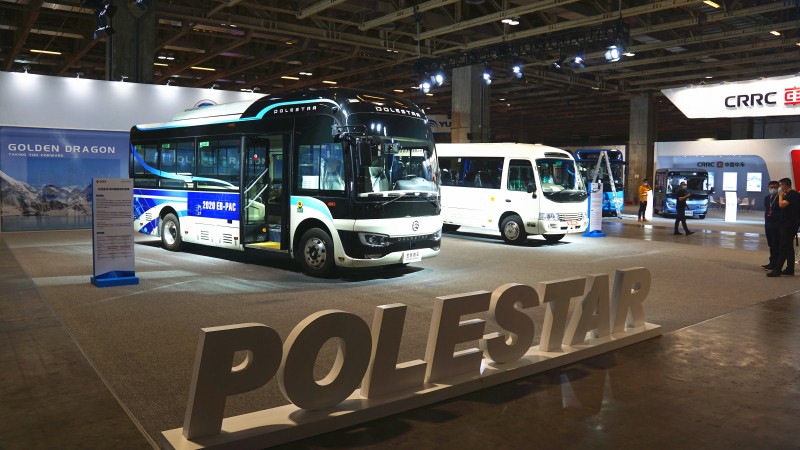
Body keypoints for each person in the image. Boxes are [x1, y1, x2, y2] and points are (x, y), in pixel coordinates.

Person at [767, 177, 799, 277]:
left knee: (783, 246)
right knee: (789, 247)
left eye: (780, 185)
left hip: (789, 225)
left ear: (785, 185)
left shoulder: (792, 194)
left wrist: (780, 196)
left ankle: (777, 270)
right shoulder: (790, 194)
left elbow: (782, 205)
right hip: (787, 223)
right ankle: (790, 269)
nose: (779, 187)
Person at [762, 180, 781, 271]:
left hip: (777, 225)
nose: (773, 189)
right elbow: (767, 210)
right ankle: (771, 262)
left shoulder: (780, 198)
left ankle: (775, 264)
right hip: (768, 224)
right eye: (771, 187)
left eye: (775, 187)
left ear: (778, 188)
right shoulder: (767, 198)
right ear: (768, 188)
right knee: (771, 244)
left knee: (775, 244)